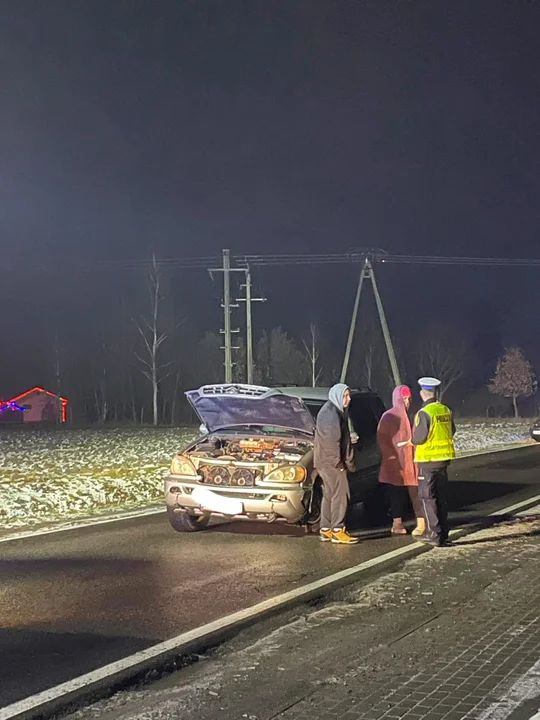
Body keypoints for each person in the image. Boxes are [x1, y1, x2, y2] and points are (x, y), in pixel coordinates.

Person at [412, 377, 456, 547]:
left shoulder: (424, 413)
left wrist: (412, 439)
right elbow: (452, 430)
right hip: (443, 461)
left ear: (423, 393)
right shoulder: (445, 409)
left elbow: (419, 438)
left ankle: (434, 535)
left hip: (427, 462)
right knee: (441, 498)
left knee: (428, 498)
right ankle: (444, 534)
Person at [377, 385, 425, 536]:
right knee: (397, 492)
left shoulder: (413, 416)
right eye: (404, 399)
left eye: (409, 399)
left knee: (416, 492)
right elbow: (382, 439)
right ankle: (397, 523)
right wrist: (390, 456)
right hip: (396, 463)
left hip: (412, 462)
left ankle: (421, 521)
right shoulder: (389, 416)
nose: (407, 402)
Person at [314, 383, 358, 544]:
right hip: (331, 463)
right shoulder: (330, 414)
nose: (348, 399)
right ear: (337, 396)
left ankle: (326, 528)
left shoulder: (335, 412)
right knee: (341, 494)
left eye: (349, 395)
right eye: (345, 396)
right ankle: (338, 530)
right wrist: (338, 463)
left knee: (330, 494)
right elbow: (332, 442)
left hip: (326, 461)